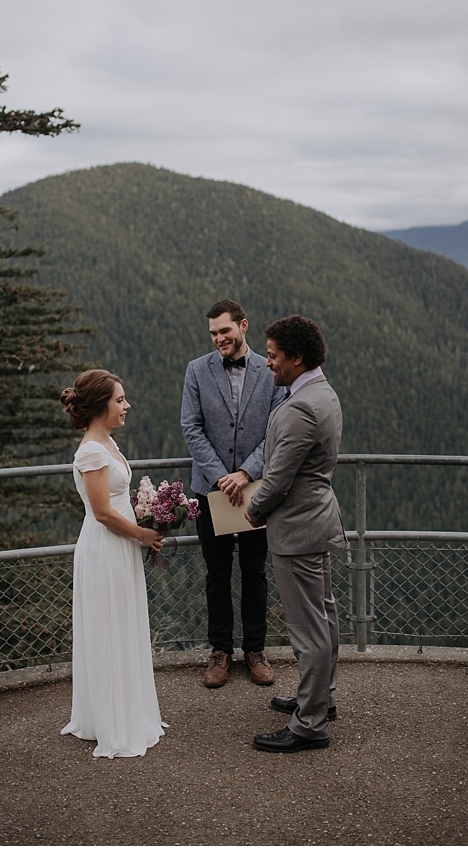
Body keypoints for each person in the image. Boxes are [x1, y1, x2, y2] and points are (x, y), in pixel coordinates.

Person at [245, 314, 345, 753]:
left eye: (272, 355)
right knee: (323, 617)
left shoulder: (303, 405)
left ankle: (310, 724)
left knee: (308, 628)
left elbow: (278, 476)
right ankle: (318, 700)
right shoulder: (322, 392)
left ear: (297, 357)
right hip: (316, 521)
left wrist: (253, 508)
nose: (268, 363)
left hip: (297, 529)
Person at [178, 299, 287, 688]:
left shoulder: (269, 368)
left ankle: (255, 650)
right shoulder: (196, 369)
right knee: (217, 574)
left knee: (255, 572)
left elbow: (277, 428)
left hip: (257, 489)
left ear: (243, 325)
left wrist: (245, 473)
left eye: (225, 330)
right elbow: (191, 428)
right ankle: (220, 651)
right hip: (211, 490)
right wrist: (223, 477)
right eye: (213, 333)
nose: (219, 338)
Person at [59, 369, 167, 758]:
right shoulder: (91, 450)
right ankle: (112, 721)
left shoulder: (106, 443)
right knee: (108, 627)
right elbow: (102, 511)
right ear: (100, 405)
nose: (127, 405)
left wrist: (149, 515)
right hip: (106, 547)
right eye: (120, 400)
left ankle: (126, 711)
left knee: (123, 623)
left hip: (119, 547)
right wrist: (143, 534)